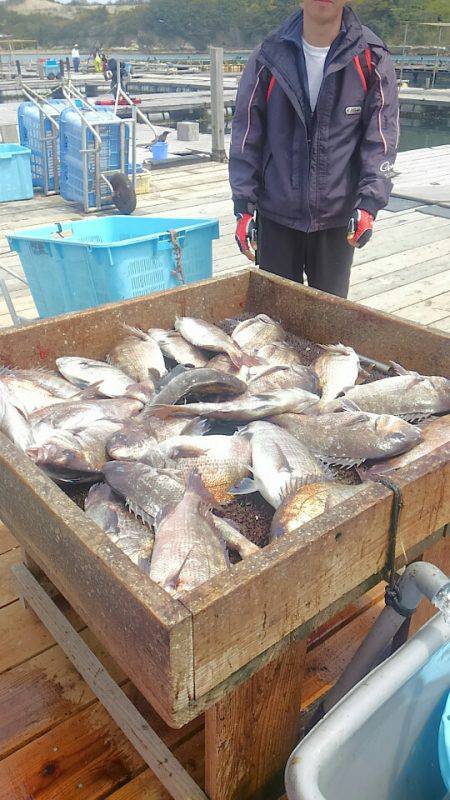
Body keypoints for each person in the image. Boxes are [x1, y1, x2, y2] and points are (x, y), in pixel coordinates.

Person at [229, 1, 399, 298]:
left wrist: (369, 204)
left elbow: (381, 138)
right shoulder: (268, 56)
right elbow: (246, 134)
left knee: (329, 323)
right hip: (276, 213)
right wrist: (243, 208)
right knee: (273, 319)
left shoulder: (371, 57)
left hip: (337, 218)